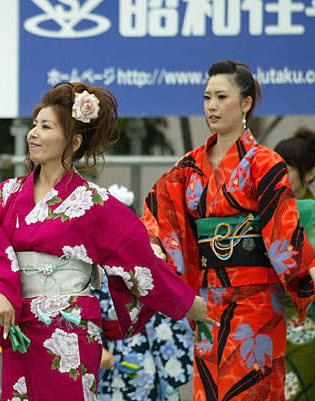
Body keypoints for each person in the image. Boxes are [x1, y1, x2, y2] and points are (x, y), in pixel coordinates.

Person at [0, 82, 214, 400]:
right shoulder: (8, 194)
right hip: (21, 327)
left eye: (46, 126)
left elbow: (140, 260)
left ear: (74, 141)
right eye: (34, 125)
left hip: (69, 330)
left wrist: (190, 304)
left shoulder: (92, 202)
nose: (33, 134)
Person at [141, 60, 315, 400]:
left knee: (249, 389)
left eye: (222, 97)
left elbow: (283, 231)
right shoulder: (188, 167)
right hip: (208, 300)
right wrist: (155, 246)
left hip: (257, 299)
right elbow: (158, 210)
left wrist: (303, 276)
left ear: (246, 103)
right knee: (208, 390)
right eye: (207, 98)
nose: (212, 106)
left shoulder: (266, 163)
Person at [94, 184, 194, 401]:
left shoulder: (147, 258)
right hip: (110, 352)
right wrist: (95, 348)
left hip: (151, 348)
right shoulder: (92, 264)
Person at [274, 128, 315, 401]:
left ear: (309, 173)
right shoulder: (266, 216)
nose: (278, 178)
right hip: (266, 322)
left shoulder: (312, 216)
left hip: (305, 324)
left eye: (286, 170)